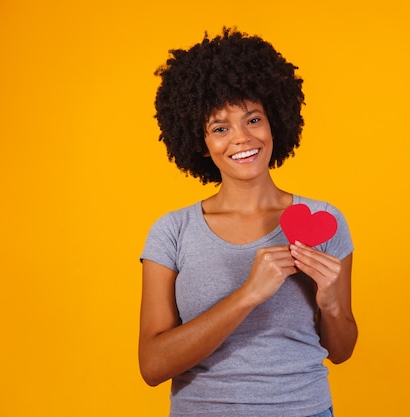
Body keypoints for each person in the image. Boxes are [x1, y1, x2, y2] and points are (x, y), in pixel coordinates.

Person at [139, 28, 357, 417]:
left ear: (274, 122)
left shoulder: (325, 221)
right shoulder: (172, 231)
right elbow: (153, 365)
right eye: (220, 128)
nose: (241, 138)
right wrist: (248, 295)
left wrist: (331, 304)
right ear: (200, 142)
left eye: (253, 119)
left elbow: (341, 352)